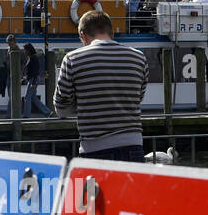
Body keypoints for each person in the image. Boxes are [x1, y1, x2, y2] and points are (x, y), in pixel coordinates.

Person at [54, 9, 148, 160]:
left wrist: (82, 101)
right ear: (112, 33)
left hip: (95, 149)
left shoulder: (72, 59)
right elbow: (137, 99)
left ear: (83, 36)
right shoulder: (139, 57)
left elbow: (61, 110)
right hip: (134, 147)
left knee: (91, 185)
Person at [0, 35, 20, 107]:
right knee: (10, 94)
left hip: (15, 74)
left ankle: (11, 113)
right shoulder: (8, 49)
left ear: (15, 42)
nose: (10, 46)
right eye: (9, 44)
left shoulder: (18, 51)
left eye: (11, 44)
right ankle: (10, 112)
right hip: (8, 73)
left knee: (12, 94)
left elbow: (22, 63)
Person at [22, 43, 50, 117]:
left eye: (25, 50)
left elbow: (35, 71)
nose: (24, 51)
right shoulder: (33, 57)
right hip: (34, 79)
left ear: (28, 50)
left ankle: (26, 115)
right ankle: (47, 112)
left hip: (33, 79)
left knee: (27, 97)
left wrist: (33, 83)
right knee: (33, 98)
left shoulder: (33, 58)